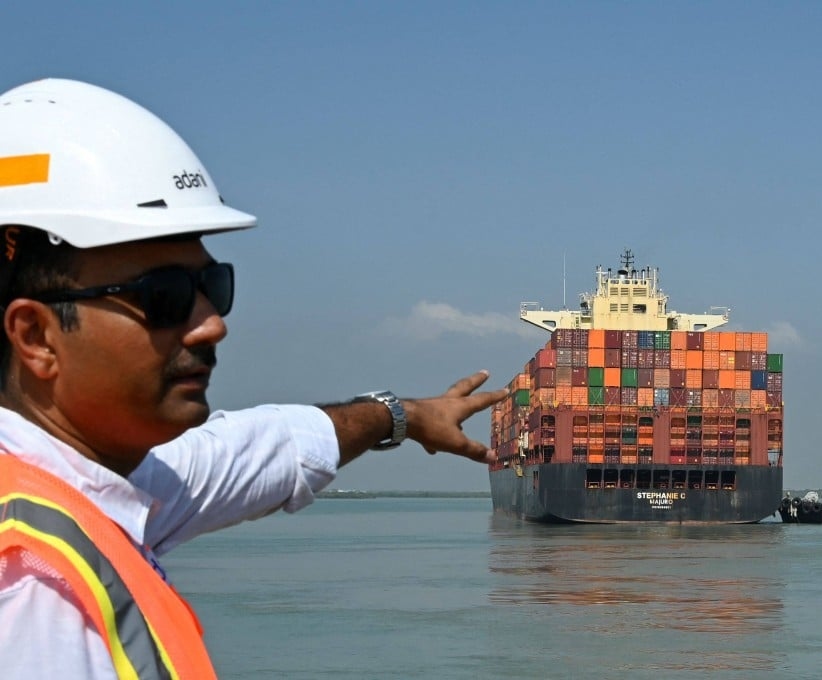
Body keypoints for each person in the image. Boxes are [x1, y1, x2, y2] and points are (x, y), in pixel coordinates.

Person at [0, 78, 506, 678]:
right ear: (35, 336)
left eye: (214, 287)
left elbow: (264, 447)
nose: (212, 325)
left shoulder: (86, 489)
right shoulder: (32, 591)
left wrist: (404, 416)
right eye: (163, 297)